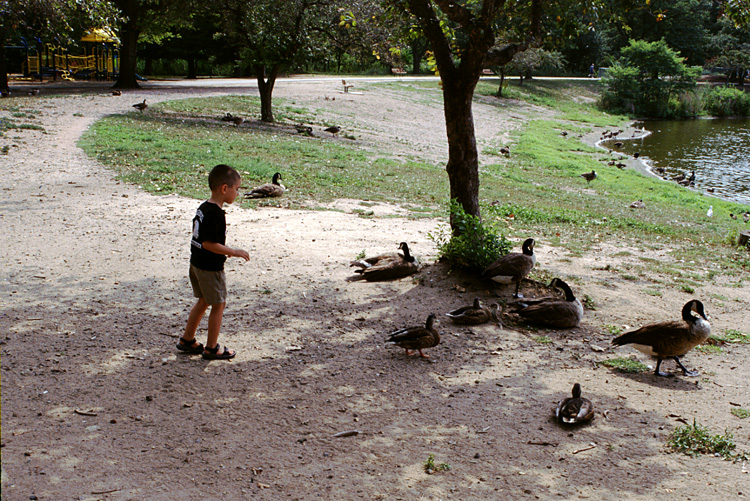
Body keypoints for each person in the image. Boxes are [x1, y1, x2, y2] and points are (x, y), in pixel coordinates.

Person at [177, 164, 249, 360]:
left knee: (204, 301)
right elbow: (209, 243)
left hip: (196, 264)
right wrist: (233, 251)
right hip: (209, 268)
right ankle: (211, 348)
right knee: (219, 304)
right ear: (225, 188)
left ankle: (187, 339)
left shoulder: (204, 207)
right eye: (237, 189)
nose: (237, 193)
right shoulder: (216, 214)